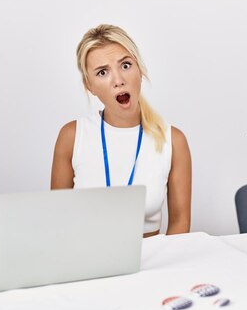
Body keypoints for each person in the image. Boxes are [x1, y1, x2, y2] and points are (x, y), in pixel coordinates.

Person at [51, 24, 191, 237]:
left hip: (151, 264)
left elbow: (180, 223)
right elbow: (58, 220)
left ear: (140, 71)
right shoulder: (72, 136)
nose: (118, 80)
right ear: (89, 85)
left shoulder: (173, 141)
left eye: (125, 65)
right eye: (103, 72)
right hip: (88, 265)